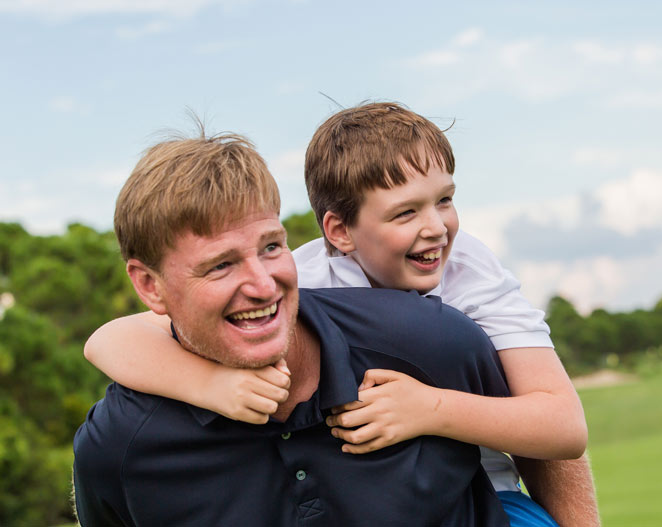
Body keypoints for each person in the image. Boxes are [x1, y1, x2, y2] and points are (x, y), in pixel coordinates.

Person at [85, 104, 600, 526]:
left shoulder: (468, 277)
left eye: (445, 200)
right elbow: (113, 340)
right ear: (338, 232)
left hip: (494, 488)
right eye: (405, 212)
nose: (437, 228)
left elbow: (560, 427)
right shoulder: (304, 280)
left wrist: (429, 409)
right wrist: (207, 383)